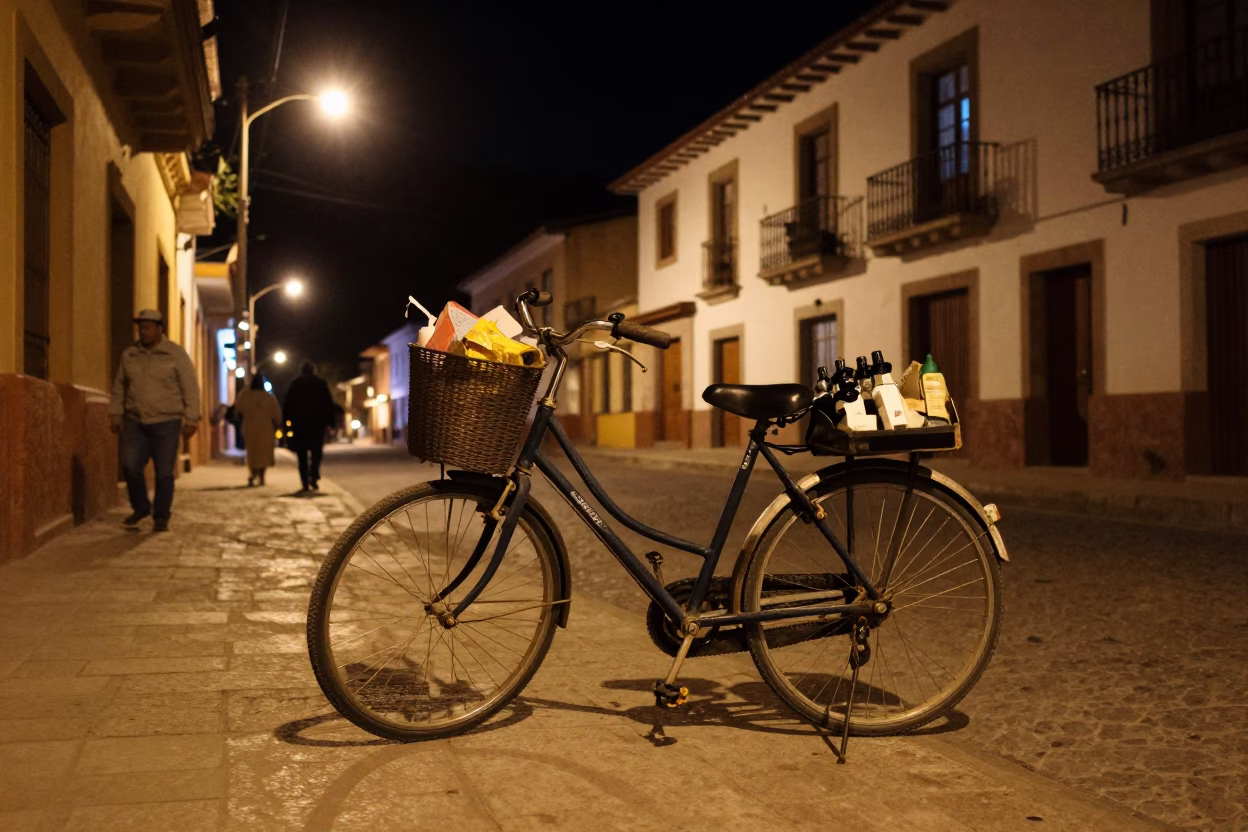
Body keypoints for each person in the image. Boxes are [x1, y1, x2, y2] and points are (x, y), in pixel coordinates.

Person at [109, 309, 200, 531]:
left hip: (166, 422)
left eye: (148, 326)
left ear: (160, 329)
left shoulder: (175, 354)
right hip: (135, 420)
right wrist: (116, 413)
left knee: (164, 472)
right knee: (130, 466)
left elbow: (190, 388)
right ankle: (141, 507)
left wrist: (191, 419)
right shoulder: (130, 354)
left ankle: (161, 516)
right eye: (141, 327)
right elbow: (120, 385)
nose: (144, 331)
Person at [283, 361, 335, 492]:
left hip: (299, 426)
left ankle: (305, 482)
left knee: (302, 456)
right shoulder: (321, 384)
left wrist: (286, 424)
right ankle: (314, 475)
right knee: (316, 453)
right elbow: (329, 405)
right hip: (317, 425)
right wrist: (331, 423)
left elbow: (287, 406)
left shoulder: (295, 385)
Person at [233, 373, 283, 486]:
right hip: (266, 429)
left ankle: (253, 473)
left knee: (253, 452)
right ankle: (261, 475)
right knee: (264, 453)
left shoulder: (245, 396)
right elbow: (277, 414)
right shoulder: (269, 397)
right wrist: (278, 424)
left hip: (250, 427)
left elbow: (238, 410)